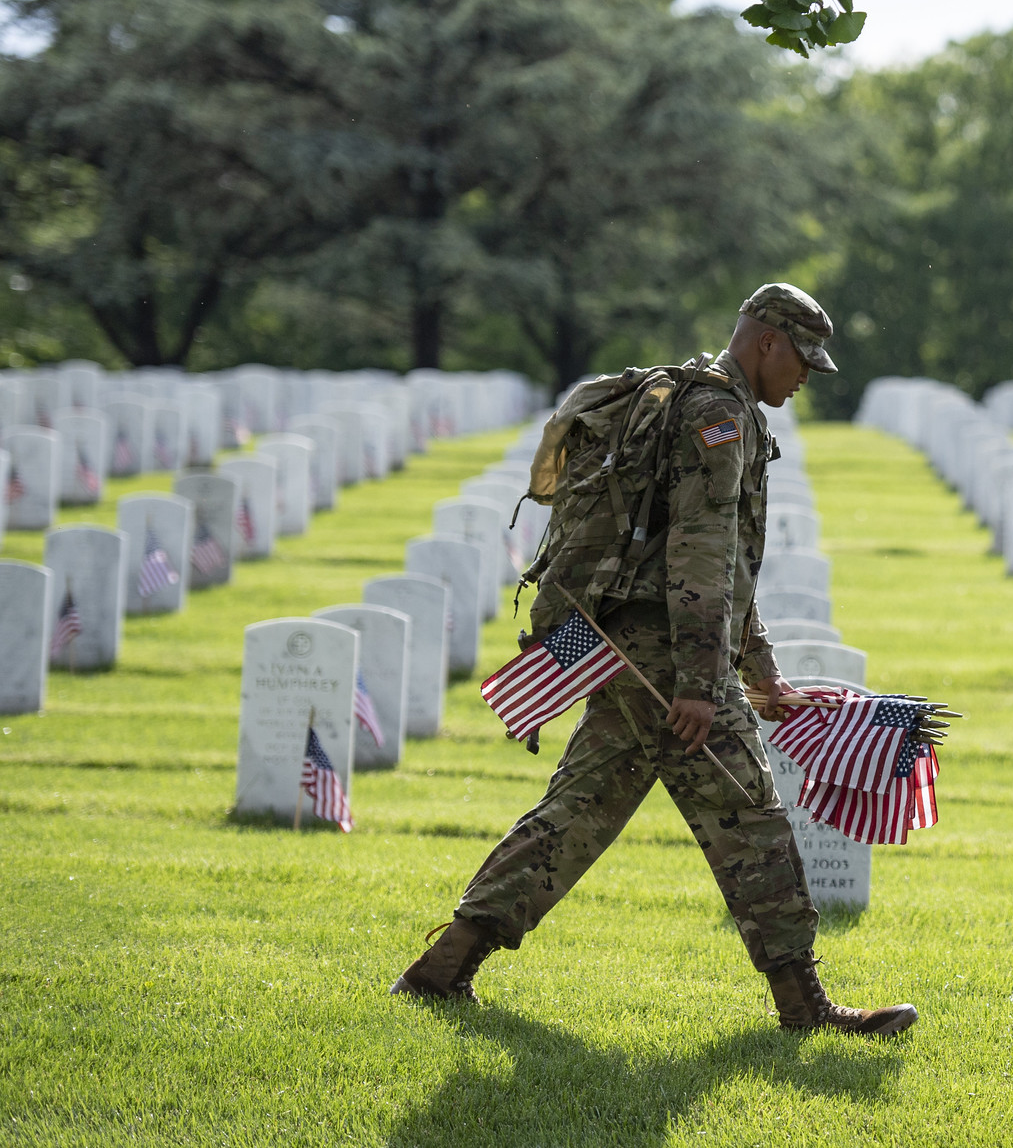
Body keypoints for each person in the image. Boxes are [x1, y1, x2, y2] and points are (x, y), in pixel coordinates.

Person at [390, 282, 916, 1038]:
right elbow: (700, 562)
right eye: (802, 359)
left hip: (631, 647)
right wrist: (705, 685)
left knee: (576, 811)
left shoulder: (700, 399)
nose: (805, 376)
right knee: (750, 811)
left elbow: (727, 562)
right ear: (766, 341)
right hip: (668, 658)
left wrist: (760, 669)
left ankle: (441, 967)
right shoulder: (717, 414)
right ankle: (805, 1007)